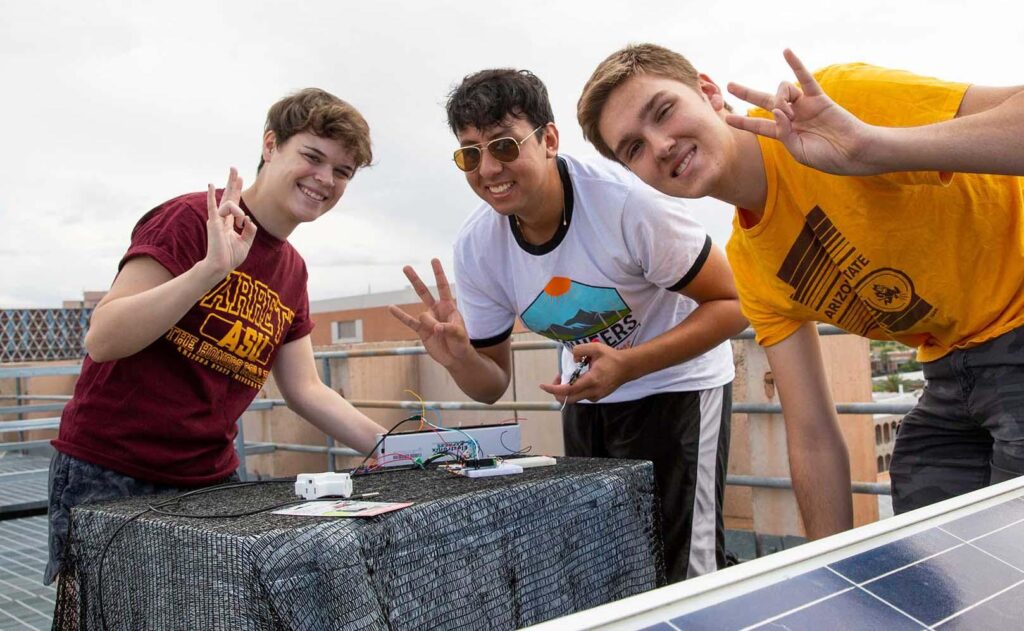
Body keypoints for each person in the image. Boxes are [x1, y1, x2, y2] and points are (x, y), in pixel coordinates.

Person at [578, 43, 1024, 539]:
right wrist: (829, 576)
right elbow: (811, 432)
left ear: (708, 93)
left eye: (664, 112)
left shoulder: (835, 102)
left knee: (1005, 553)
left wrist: (870, 148)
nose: (660, 145)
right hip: (952, 370)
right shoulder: (751, 265)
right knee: (926, 501)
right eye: (634, 148)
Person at [389, 69, 746, 582]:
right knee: (607, 568)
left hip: (679, 389)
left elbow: (734, 302)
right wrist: (460, 357)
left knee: (683, 571)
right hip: (591, 399)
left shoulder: (626, 205)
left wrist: (630, 364)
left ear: (549, 139)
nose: (488, 169)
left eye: (505, 146)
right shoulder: (477, 245)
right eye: (470, 154)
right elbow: (491, 386)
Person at [45, 88, 388, 584]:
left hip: (210, 480)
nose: (325, 179)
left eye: (342, 172)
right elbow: (104, 337)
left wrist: (399, 447)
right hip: (114, 471)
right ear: (271, 145)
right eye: (312, 157)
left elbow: (305, 388)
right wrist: (208, 271)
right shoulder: (190, 220)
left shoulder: (292, 269)